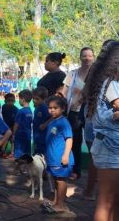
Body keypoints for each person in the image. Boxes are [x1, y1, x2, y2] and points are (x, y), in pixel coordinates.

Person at [82, 41, 119, 221]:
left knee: (114, 200)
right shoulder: (111, 85)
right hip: (109, 147)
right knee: (107, 200)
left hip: (112, 146)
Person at [61, 47, 95, 180]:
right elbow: (64, 92)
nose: (87, 58)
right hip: (74, 112)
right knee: (74, 142)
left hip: (90, 113)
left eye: (90, 56)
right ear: (80, 57)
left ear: (93, 57)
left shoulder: (97, 74)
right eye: (84, 56)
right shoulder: (72, 73)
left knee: (92, 143)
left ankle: (95, 173)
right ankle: (76, 170)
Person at [41, 96, 74, 215]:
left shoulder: (64, 122)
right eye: (50, 108)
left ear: (63, 108)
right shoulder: (53, 121)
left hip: (61, 159)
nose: (52, 110)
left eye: (55, 108)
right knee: (56, 180)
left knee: (61, 180)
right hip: (53, 158)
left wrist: (65, 155)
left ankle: (61, 205)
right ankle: (56, 201)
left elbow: (69, 139)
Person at [12, 90, 33, 159]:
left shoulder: (20, 111)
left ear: (23, 99)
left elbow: (16, 124)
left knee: (18, 157)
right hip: (28, 136)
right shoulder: (30, 111)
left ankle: (19, 169)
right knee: (26, 155)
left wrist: (13, 134)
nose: (18, 101)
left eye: (19, 99)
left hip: (20, 136)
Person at [32, 87, 51, 155]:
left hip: (42, 137)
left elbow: (52, 117)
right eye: (33, 98)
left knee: (40, 155)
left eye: (37, 99)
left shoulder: (44, 107)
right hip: (37, 136)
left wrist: (44, 125)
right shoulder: (37, 107)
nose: (34, 100)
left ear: (44, 99)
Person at [1, 93, 18, 158]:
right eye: (8, 101)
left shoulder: (16, 110)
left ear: (14, 101)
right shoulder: (3, 107)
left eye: (12, 101)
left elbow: (16, 121)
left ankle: (12, 153)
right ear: (5, 101)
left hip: (12, 127)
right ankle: (3, 151)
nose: (10, 102)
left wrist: (13, 130)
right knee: (5, 139)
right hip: (5, 127)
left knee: (12, 140)